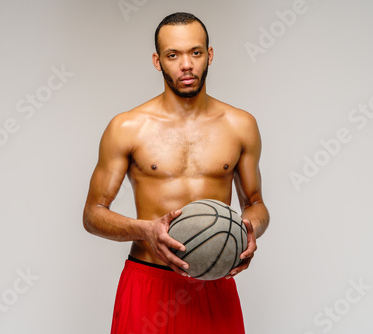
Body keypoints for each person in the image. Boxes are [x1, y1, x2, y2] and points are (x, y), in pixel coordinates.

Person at [83, 12, 270, 334]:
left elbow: (256, 203)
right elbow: (92, 214)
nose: (186, 65)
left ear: (209, 55)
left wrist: (249, 229)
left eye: (195, 52)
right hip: (148, 279)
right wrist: (146, 230)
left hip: (215, 280)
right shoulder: (127, 127)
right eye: (173, 55)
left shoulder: (240, 125)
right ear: (158, 61)